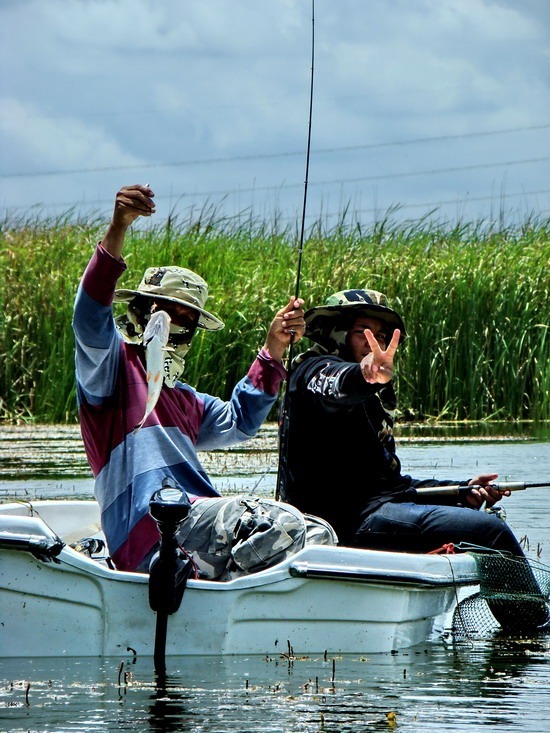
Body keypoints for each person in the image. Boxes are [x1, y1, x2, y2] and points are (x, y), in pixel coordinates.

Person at [279, 288, 549, 631]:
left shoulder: (369, 401)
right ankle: (534, 633)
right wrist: (366, 374)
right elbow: (337, 385)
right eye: (363, 332)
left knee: (476, 518)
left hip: (373, 510)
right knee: (491, 533)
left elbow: (392, 487)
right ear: (337, 332)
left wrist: (460, 491)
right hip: (341, 523)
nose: (372, 342)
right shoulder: (313, 372)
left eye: (380, 336)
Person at [73, 184, 305, 573]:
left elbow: (241, 422)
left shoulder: (187, 400)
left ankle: (222, 584)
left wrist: (274, 349)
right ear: (142, 310)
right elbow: (89, 317)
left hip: (197, 519)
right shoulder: (110, 370)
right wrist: (118, 228)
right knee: (284, 524)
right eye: (166, 311)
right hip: (149, 528)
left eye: (187, 319)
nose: (176, 324)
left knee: (316, 533)